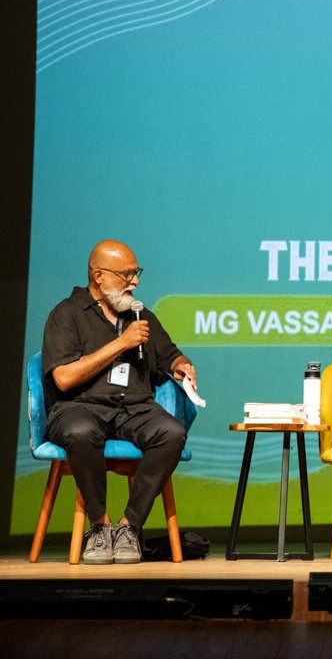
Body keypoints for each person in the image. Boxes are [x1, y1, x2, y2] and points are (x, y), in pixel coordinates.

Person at [41, 240, 197, 565]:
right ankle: (99, 526)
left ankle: (128, 526)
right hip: (79, 407)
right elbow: (64, 379)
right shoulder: (66, 314)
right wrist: (120, 344)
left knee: (170, 432)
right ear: (98, 276)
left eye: (136, 273)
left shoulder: (141, 315)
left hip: (134, 409)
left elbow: (169, 354)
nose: (135, 281)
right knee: (81, 432)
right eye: (127, 274)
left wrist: (181, 365)